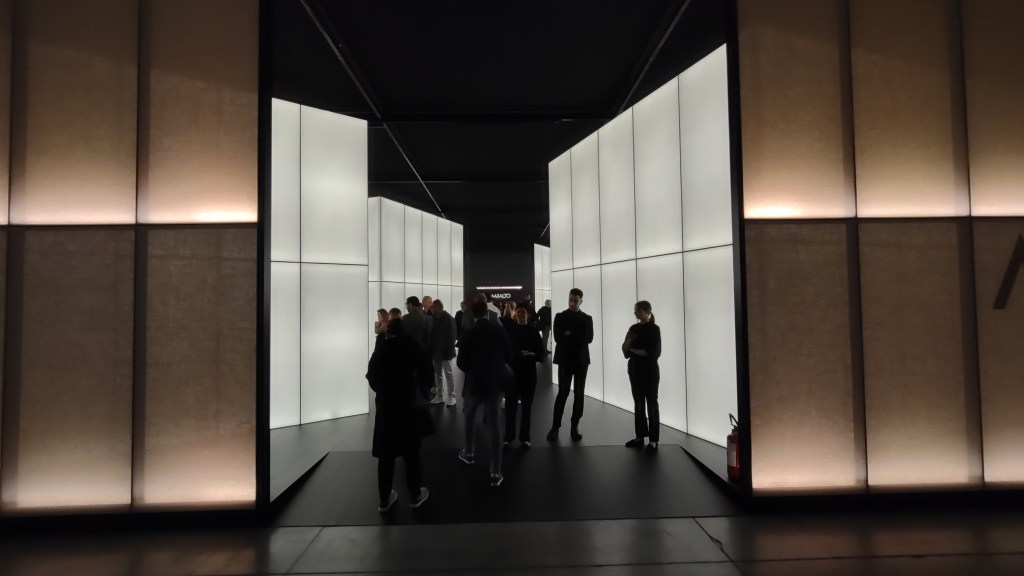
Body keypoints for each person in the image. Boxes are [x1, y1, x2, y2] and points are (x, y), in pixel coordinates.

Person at [366, 318, 434, 512]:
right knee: (411, 453)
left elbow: (372, 377)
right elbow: (428, 375)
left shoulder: (381, 350)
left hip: (386, 408)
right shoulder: (413, 347)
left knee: (386, 456)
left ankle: (384, 499)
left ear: (388, 332)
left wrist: (384, 391)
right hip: (409, 407)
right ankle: (415, 495)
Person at [456, 301, 512, 486]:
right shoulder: (499, 331)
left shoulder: (468, 333)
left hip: (475, 382)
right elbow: (508, 356)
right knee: (494, 425)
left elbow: (461, 362)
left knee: (470, 417)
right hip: (494, 383)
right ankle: (495, 471)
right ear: (487, 313)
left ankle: (469, 453)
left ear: (473, 315)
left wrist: (473, 369)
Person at [547, 288, 593, 442]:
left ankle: (574, 425)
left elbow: (589, 338)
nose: (572, 303)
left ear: (581, 301)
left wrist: (570, 333)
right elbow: (558, 337)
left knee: (579, 393)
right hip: (566, 359)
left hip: (580, 360)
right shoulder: (560, 316)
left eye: (575, 300)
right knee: (563, 392)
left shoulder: (587, 318)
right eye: (570, 300)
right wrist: (577, 334)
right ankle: (555, 426)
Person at [622, 300, 662, 453]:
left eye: (637, 310)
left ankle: (653, 440)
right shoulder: (633, 328)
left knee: (651, 404)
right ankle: (639, 437)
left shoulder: (654, 329)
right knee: (638, 404)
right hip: (635, 370)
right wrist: (630, 347)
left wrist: (632, 349)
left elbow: (653, 353)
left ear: (647, 311)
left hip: (650, 372)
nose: (635, 313)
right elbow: (625, 351)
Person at [505, 306, 544, 447]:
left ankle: (525, 437)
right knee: (510, 407)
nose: (521, 314)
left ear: (528, 315)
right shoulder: (510, 330)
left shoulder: (533, 331)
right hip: (513, 373)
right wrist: (520, 354)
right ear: (515, 314)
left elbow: (541, 354)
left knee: (527, 407)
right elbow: (507, 352)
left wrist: (531, 355)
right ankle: (509, 436)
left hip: (529, 373)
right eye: (519, 312)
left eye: (523, 312)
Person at [429, 299, 458, 407]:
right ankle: (439, 395)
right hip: (436, 352)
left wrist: (449, 351)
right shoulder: (434, 319)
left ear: (438, 307)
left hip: (446, 352)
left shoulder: (449, 319)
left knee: (448, 374)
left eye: (433, 307)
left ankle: (452, 396)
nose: (431, 309)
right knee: (438, 374)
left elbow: (452, 337)